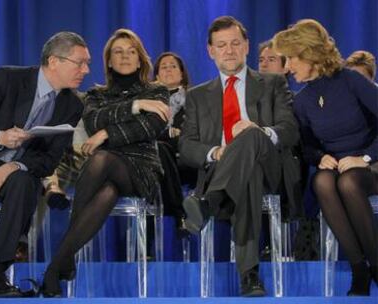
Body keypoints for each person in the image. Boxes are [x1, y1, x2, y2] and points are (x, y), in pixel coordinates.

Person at [41, 28, 169, 297]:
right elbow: (92, 121)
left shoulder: (157, 91)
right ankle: (57, 267)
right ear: (108, 61)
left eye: (131, 51)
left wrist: (107, 133)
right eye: (117, 52)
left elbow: (151, 127)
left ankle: (60, 262)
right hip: (106, 173)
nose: (124, 57)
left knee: (101, 158)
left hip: (141, 170)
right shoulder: (96, 95)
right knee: (107, 190)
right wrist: (134, 107)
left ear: (140, 58)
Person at [180, 16, 301, 297]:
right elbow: (186, 146)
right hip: (224, 169)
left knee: (249, 135)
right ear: (210, 51)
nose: (229, 50)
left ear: (246, 46)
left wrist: (259, 132)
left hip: (269, 164)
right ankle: (250, 276)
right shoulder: (197, 95)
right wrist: (216, 151)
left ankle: (209, 202)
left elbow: (290, 130)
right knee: (247, 177)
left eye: (235, 43)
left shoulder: (273, 83)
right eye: (221, 45)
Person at [0, 31, 89, 298]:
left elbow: (49, 160)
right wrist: (0, 138)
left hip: (13, 175)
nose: (86, 70)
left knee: (24, 182)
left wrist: (12, 167)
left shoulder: (72, 105)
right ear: (54, 61)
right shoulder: (7, 79)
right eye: (80, 63)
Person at [273, 18, 378, 296]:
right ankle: (359, 269)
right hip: (338, 165)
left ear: (310, 55)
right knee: (322, 181)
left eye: (291, 59)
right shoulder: (303, 100)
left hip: (372, 163)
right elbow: (307, 147)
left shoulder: (351, 80)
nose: (288, 67)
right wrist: (320, 157)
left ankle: (375, 265)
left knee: (349, 183)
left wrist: (366, 158)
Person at [153, 52, 195, 234]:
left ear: (182, 74)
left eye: (173, 66)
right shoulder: (147, 103)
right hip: (157, 162)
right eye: (164, 67)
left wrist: (164, 135)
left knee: (159, 160)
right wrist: (168, 134)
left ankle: (148, 246)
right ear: (156, 76)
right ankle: (180, 215)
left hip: (186, 163)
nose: (168, 70)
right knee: (159, 153)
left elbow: (192, 136)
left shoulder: (196, 101)